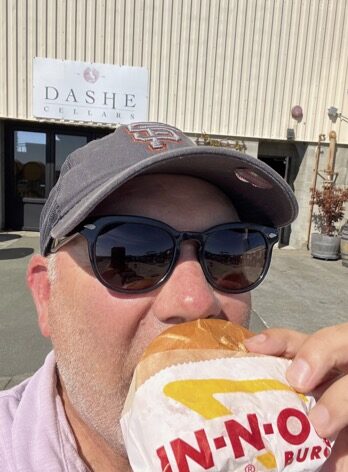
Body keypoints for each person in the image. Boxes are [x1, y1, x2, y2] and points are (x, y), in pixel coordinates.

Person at [0, 122, 346, 471]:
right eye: (131, 258)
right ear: (46, 296)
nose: (196, 302)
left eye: (227, 252)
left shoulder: (306, 441)